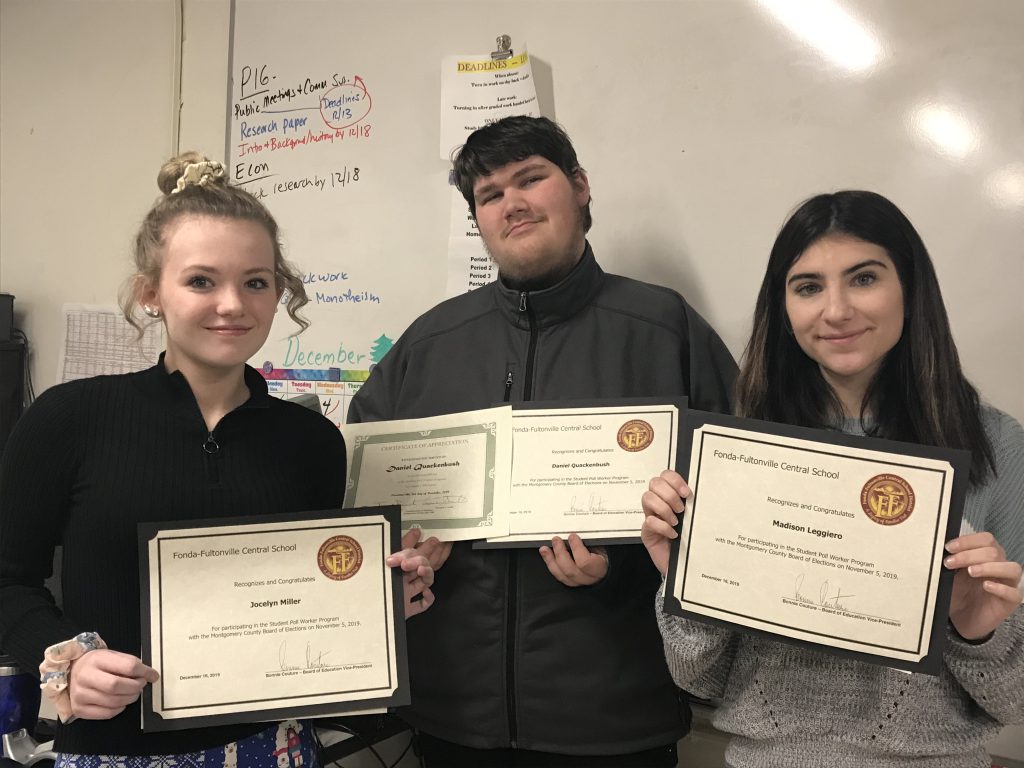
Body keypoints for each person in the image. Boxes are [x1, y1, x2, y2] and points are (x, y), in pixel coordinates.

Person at [0, 152, 435, 763]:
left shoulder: (311, 441)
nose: (232, 304)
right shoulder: (68, 419)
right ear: (152, 293)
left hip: (271, 747)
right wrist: (67, 660)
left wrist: (381, 597)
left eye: (256, 281)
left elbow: (302, 598)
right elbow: (8, 581)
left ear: (279, 293)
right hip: (116, 748)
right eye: (201, 280)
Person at [347, 116, 738, 766]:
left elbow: (732, 521)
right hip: (450, 721)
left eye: (531, 179)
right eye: (490, 194)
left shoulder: (664, 330)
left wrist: (619, 570)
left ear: (580, 188)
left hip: (615, 719)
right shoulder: (428, 345)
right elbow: (358, 515)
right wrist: (404, 553)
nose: (512, 204)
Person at [641, 190, 1024, 768]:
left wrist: (975, 632)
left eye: (864, 278)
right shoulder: (738, 454)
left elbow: (1015, 701)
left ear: (911, 290)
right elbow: (700, 678)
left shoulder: (995, 447)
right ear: (784, 306)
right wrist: (684, 582)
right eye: (809, 286)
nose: (836, 310)